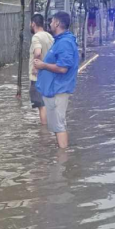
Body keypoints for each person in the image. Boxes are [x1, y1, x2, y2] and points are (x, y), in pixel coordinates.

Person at [34, 11, 79, 149]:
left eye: (52, 21)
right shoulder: (59, 40)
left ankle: (62, 159)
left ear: (57, 23)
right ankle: (60, 154)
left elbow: (63, 68)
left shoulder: (65, 42)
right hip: (53, 89)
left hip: (58, 89)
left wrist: (43, 65)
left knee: (59, 125)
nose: (50, 24)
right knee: (56, 125)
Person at [29, 14, 54, 126]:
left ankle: (44, 131)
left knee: (41, 105)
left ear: (33, 23)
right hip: (50, 74)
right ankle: (52, 127)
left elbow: (38, 52)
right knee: (48, 104)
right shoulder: (49, 36)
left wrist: (35, 67)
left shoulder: (36, 37)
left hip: (39, 76)